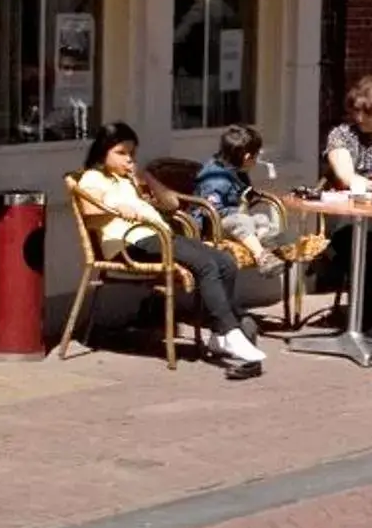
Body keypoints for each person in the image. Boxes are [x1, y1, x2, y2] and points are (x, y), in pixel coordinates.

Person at [78, 123, 265, 376]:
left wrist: (147, 180)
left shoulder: (128, 179)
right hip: (130, 244)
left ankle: (218, 335)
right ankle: (229, 331)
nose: (128, 159)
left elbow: (172, 203)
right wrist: (117, 208)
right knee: (206, 265)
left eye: (132, 153)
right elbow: (89, 213)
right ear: (103, 152)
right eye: (121, 153)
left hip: (159, 235)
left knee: (224, 261)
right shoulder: (92, 178)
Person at [194, 124, 285, 253]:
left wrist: (251, 197)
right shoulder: (217, 179)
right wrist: (238, 211)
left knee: (261, 219)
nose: (257, 160)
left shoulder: (237, 171)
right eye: (257, 155)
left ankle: (267, 245)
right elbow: (210, 211)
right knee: (242, 221)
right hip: (212, 228)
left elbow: (244, 195)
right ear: (247, 157)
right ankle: (261, 256)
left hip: (234, 221)